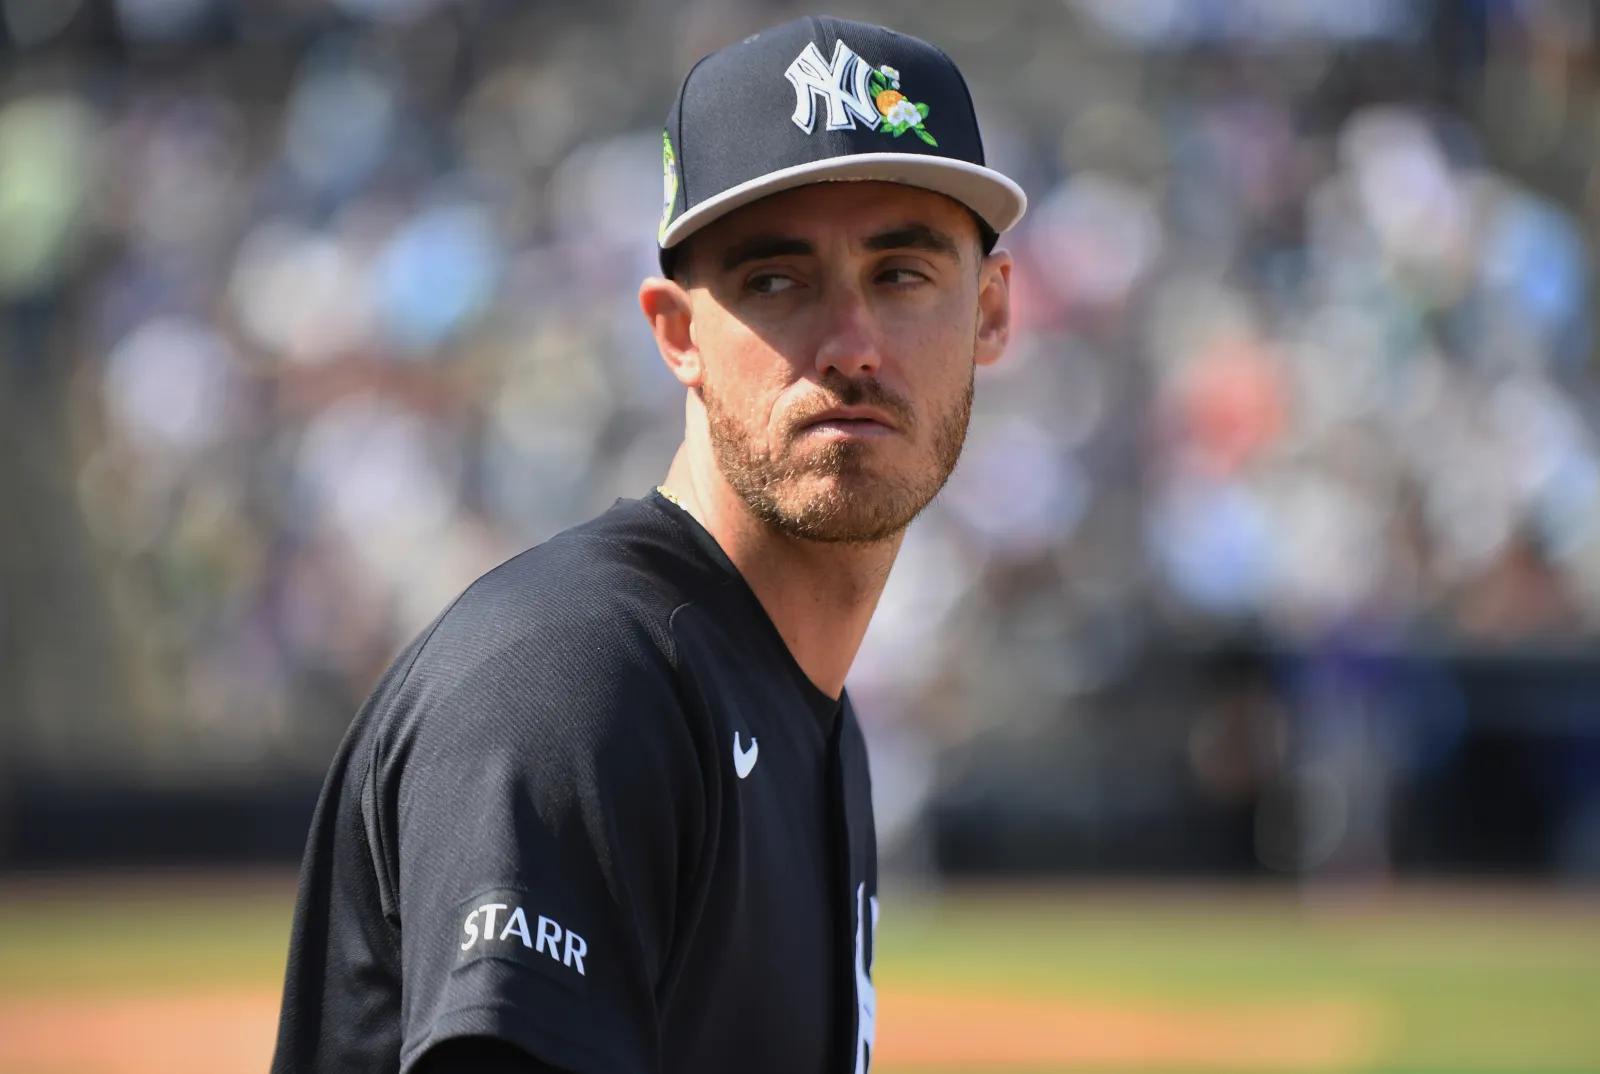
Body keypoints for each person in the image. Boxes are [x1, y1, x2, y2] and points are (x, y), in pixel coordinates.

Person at [270, 14, 1024, 1074]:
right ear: (677, 334)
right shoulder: (576, 685)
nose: (852, 345)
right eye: (777, 280)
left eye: (901, 274)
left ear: (989, 313)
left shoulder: (807, 715)